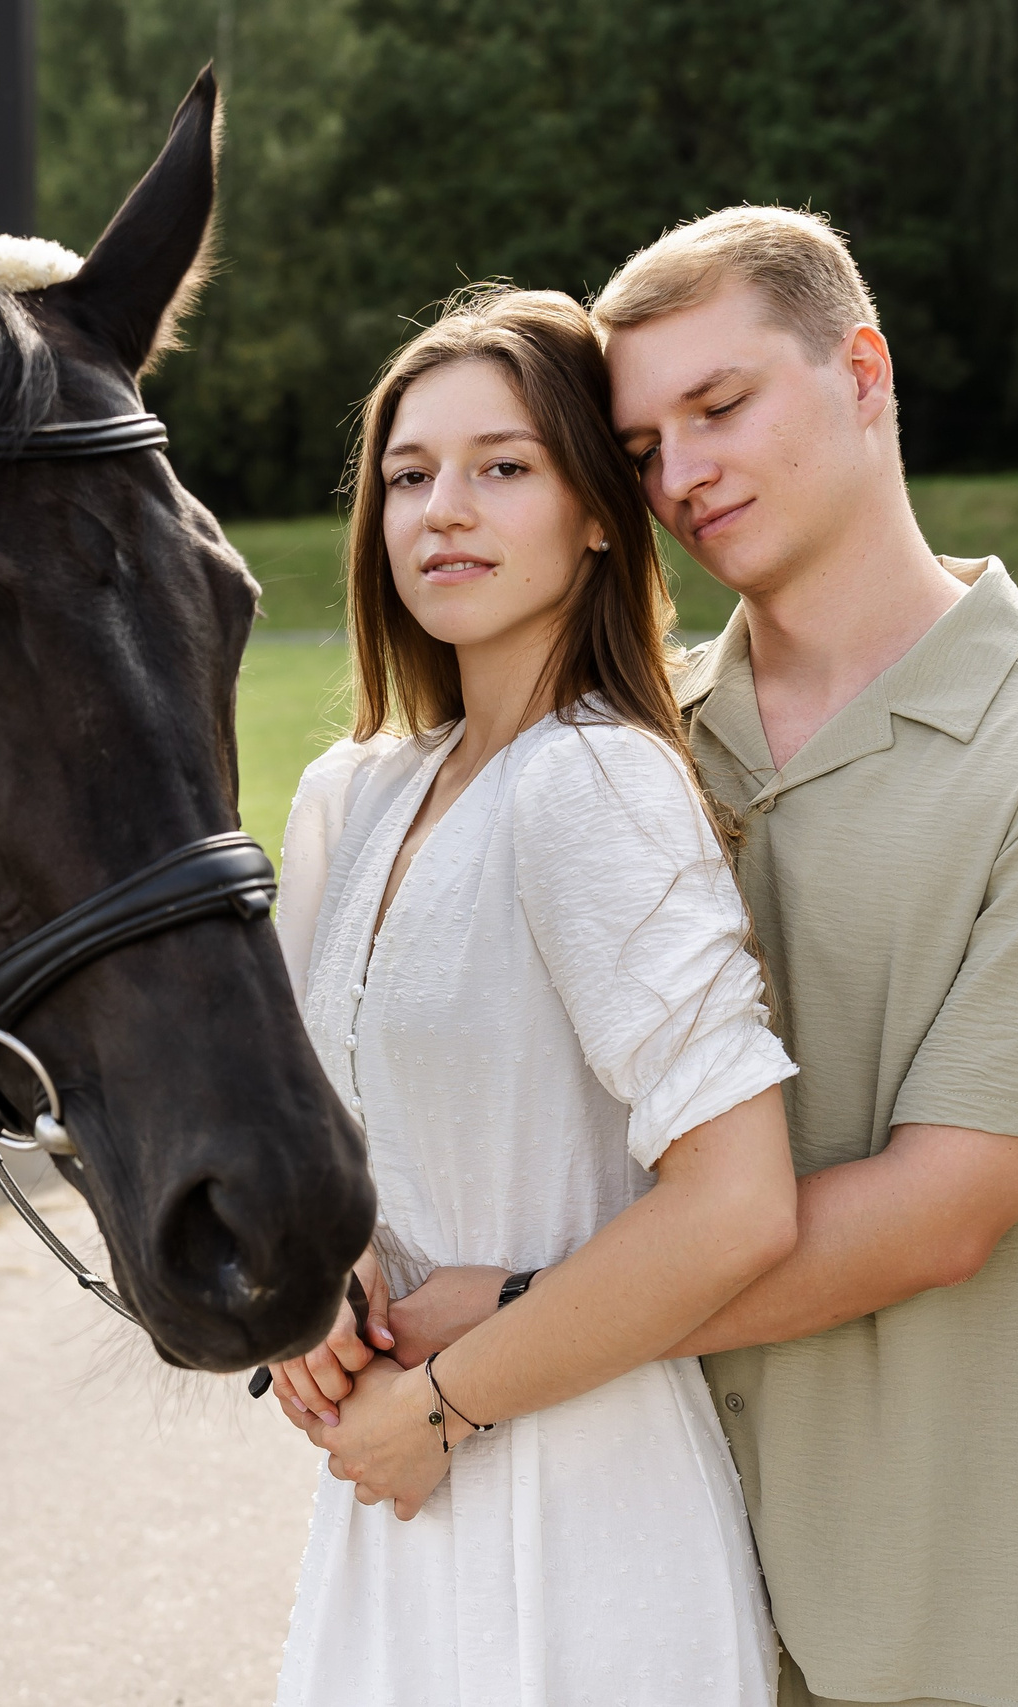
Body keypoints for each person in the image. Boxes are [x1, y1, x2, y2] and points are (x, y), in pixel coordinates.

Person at [388, 209, 1018, 1707]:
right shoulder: (625, 756)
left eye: (721, 406)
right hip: (634, 1590)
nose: (684, 476)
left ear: (864, 371)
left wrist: (510, 1330)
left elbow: (934, 1216)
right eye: (641, 447)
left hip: (947, 1621)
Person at [262, 285, 801, 1707]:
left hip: (579, 1515)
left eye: (503, 468)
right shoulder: (356, 799)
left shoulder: (599, 781)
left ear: (601, 515)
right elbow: (296, 1141)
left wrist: (443, 1409)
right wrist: (311, 1288)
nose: (444, 508)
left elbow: (740, 1201)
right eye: (408, 474)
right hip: (387, 1502)